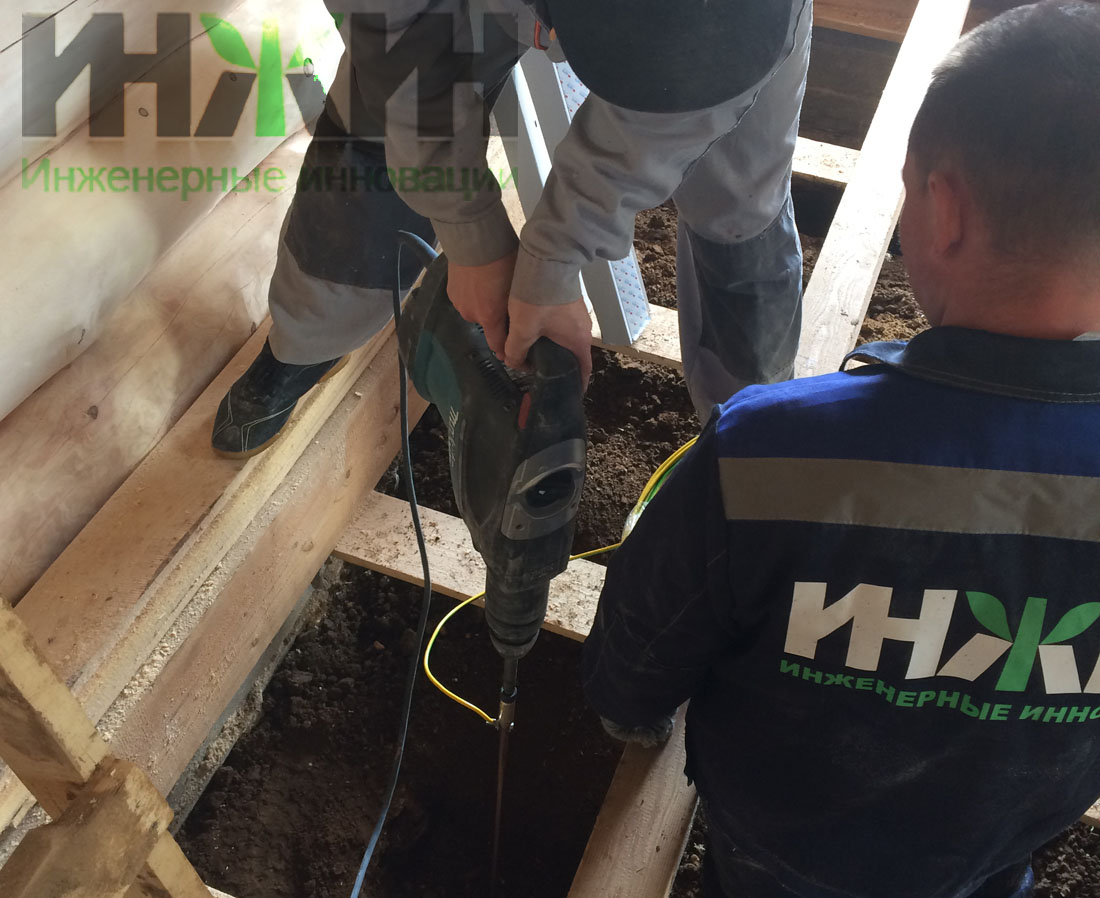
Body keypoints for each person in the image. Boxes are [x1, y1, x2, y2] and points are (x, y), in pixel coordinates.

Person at [580, 3, 1100, 897]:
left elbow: (644, 639)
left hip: (774, 852)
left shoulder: (768, 455)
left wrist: (626, 711)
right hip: (986, 855)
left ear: (944, 210)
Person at [211, 0, 811, 456]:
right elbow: (399, 44)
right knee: (378, 129)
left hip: (729, 30)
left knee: (741, 203)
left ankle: (747, 426)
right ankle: (307, 339)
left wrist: (552, 263)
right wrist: (470, 231)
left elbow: (664, 124)